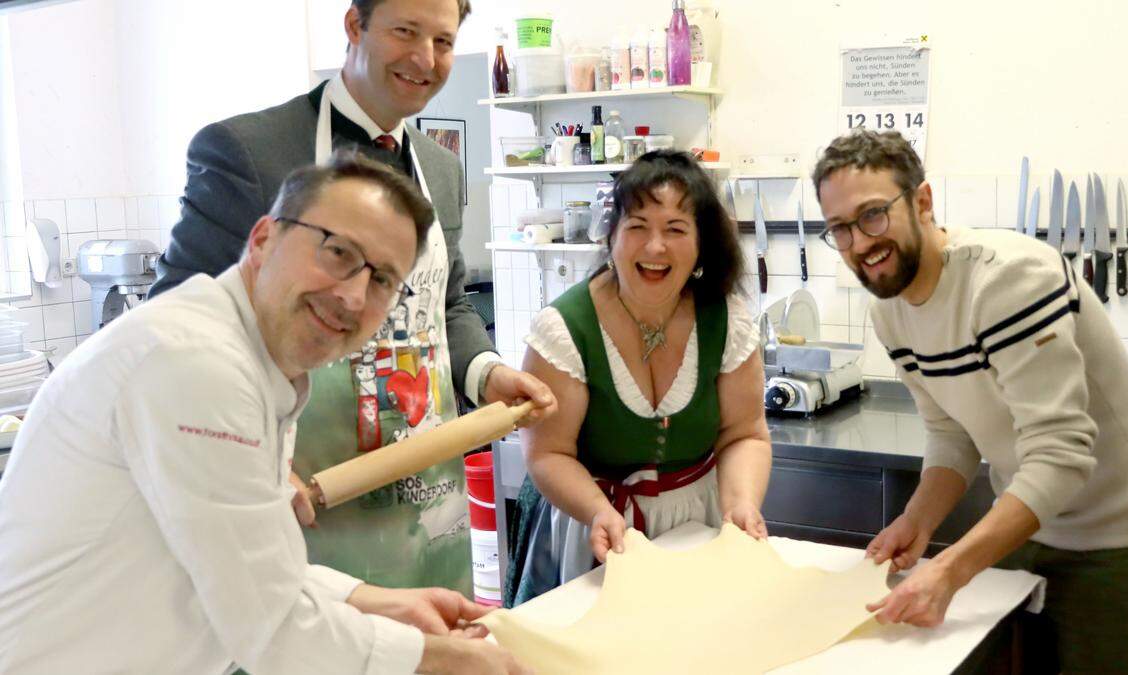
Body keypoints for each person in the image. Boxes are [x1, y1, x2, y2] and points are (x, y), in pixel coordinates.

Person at [0, 153, 528, 674]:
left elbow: (244, 562)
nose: (351, 295)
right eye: (338, 252)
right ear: (262, 239)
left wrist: (373, 600)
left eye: (383, 280)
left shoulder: (263, 365)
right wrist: (440, 660)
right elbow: (270, 628)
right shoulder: (195, 363)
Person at [150, 0, 555, 594]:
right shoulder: (249, 151)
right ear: (353, 26)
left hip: (423, 504)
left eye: (443, 42)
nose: (425, 58)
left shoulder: (440, 168)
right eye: (405, 32)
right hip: (299, 493)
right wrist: (241, 459)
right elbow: (175, 325)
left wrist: (489, 375)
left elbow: (446, 305)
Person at [812, 130, 1128, 673]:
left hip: (1116, 542)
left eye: (872, 215)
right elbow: (950, 434)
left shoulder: (1007, 280)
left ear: (922, 202)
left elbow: (1061, 453)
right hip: (1025, 525)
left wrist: (952, 569)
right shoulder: (889, 310)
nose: (860, 243)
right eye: (840, 229)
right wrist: (918, 519)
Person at [504, 151, 773, 606]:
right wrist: (597, 512)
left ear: (701, 244)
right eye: (637, 226)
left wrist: (741, 504)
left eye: (675, 229)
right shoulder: (565, 328)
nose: (654, 247)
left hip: (697, 526)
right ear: (611, 238)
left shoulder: (726, 319)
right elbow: (548, 453)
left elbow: (744, 434)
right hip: (591, 531)